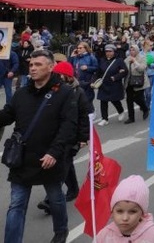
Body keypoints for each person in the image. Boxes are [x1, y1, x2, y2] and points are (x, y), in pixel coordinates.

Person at [0, 49, 78, 243]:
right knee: (16, 205)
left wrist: (54, 152)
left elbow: (68, 126)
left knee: (56, 199)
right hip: (22, 159)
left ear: (50, 67)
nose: (33, 68)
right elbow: (7, 116)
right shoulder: (21, 93)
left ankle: (61, 231)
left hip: (49, 159)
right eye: (31, 65)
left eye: (38, 65)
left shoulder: (65, 93)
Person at [37, 61, 91, 213]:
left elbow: (85, 116)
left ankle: (49, 200)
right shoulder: (52, 90)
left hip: (71, 137)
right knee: (67, 164)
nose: (56, 78)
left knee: (61, 165)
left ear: (67, 77)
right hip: (56, 135)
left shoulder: (77, 92)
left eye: (60, 75)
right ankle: (73, 189)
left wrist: (82, 138)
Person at [96, 175, 154, 242]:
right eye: (119, 211)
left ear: (142, 213)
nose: (125, 218)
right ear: (112, 212)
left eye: (132, 212)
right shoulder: (104, 235)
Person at [95, 44, 129, 126]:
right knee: (103, 101)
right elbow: (98, 72)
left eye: (110, 51)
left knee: (115, 100)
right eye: (106, 51)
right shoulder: (102, 60)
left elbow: (125, 71)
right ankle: (104, 119)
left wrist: (116, 77)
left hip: (114, 84)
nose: (108, 53)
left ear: (114, 52)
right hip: (104, 84)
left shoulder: (119, 60)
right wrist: (94, 81)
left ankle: (120, 111)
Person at [124, 44, 150, 124]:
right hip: (129, 82)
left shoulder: (142, 58)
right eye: (130, 50)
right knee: (129, 100)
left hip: (139, 81)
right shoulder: (127, 59)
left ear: (137, 50)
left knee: (139, 98)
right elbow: (124, 69)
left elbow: (142, 69)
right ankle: (131, 118)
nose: (132, 52)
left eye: (133, 50)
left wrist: (135, 62)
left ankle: (145, 109)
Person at [69, 41, 98, 107]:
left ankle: (91, 112)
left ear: (85, 48)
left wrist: (87, 68)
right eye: (77, 48)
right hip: (76, 81)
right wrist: (71, 56)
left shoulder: (91, 57)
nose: (78, 49)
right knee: (77, 99)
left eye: (80, 48)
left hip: (87, 81)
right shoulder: (76, 57)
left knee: (87, 99)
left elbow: (96, 68)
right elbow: (69, 66)